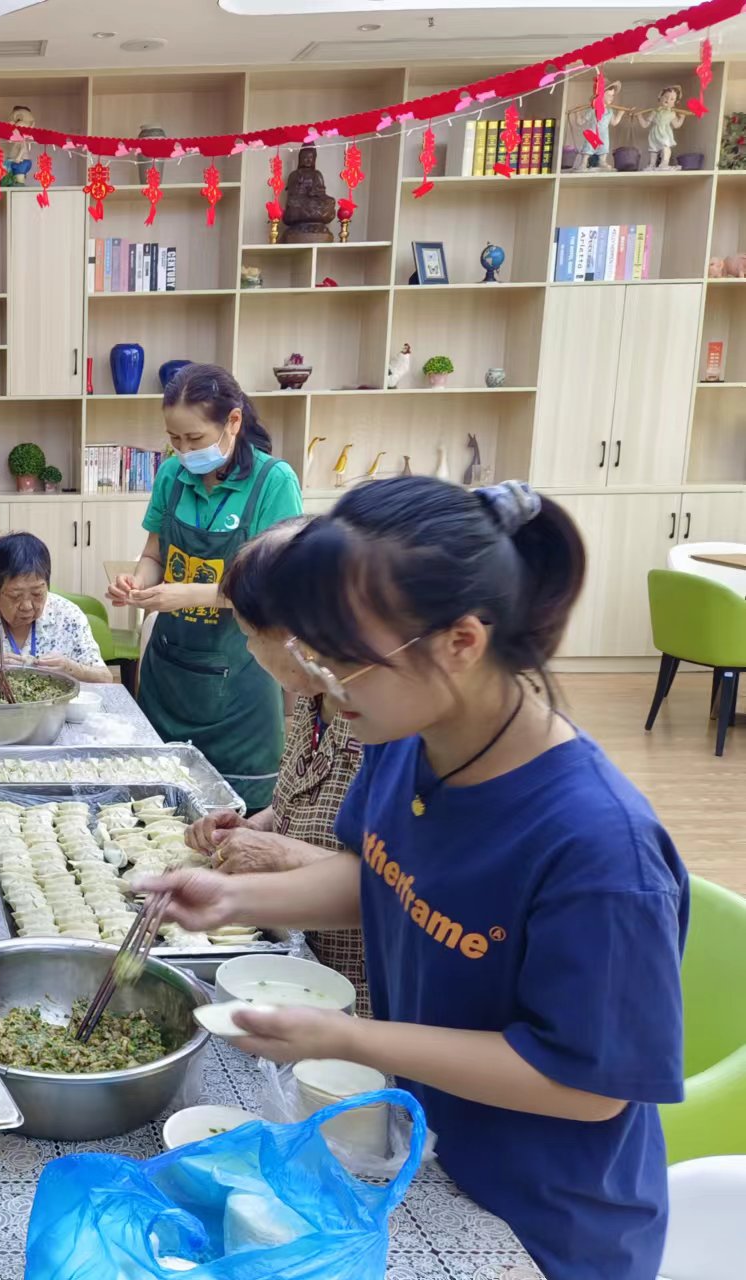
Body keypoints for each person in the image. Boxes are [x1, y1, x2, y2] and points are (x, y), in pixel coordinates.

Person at [139, 477, 688, 1280]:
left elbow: (585, 1086)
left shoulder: (599, 848)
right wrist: (235, 897)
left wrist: (348, 1036)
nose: (322, 683)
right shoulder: (408, 739)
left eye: (342, 661)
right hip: (422, 1150)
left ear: (461, 642)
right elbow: (385, 882)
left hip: (543, 1223)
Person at [184, 518, 370, 1015]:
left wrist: (281, 854)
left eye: (249, 635)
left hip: (361, 988)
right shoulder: (311, 700)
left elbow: (401, 888)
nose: (247, 649)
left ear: (297, 638)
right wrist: (252, 827)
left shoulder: (383, 721)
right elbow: (303, 804)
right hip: (296, 957)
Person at [108, 363, 303, 810]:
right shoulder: (171, 477)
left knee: (233, 823)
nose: (183, 451)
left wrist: (190, 594)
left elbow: (276, 587)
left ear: (233, 421)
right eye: (173, 440)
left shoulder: (273, 482)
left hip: (240, 685)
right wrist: (137, 583)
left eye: (194, 439)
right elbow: (155, 554)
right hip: (169, 675)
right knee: (154, 813)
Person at [0, 531, 111, 682]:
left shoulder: (68, 615)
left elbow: (105, 679)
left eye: (37, 594)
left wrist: (72, 669)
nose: (27, 606)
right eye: (15, 596)